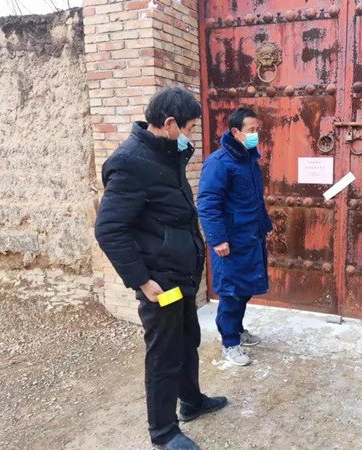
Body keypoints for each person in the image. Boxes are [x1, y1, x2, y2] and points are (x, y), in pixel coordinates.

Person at [95, 87, 227, 450]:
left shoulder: (168, 154)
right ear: (170, 124)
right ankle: (164, 432)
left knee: (187, 341)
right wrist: (142, 280)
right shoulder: (130, 162)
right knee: (164, 355)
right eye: (190, 128)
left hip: (182, 275)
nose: (191, 135)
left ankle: (192, 401)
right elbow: (109, 229)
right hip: (160, 282)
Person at [197, 107, 273, 367]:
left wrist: (264, 226)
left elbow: (253, 199)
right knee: (231, 292)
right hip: (230, 241)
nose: (255, 134)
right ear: (235, 132)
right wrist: (217, 239)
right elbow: (208, 203)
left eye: (257, 129)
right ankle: (230, 343)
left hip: (251, 237)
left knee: (245, 289)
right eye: (251, 130)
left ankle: (238, 331)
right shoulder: (219, 162)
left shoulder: (248, 158)